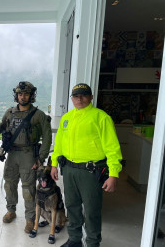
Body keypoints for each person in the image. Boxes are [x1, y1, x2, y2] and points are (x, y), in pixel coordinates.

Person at [50, 83, 122, 247]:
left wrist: (113, 174)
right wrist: (54, 164)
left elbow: (112, 148)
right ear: (72, 99)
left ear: (91, 97)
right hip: (68, 170)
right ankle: (75, 239)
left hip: (91, 172)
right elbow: (59, 144)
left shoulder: (101, 117)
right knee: (72, 206)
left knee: (91, 210)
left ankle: (92, 242)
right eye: (76, 96)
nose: (79, 98)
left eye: (83, 95)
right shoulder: (67, 118)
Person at [0, 81, 52, 234]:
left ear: (31, 95)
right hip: (12, 154)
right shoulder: (10, 112)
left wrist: (40, 158)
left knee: (28, 188)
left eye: (26, 94)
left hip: (29, 154)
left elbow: (47, 138)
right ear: (16, 95)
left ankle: (30, 218)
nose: (23, 97)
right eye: (20, 94)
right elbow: (1, 127)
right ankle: (11, 210)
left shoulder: (38, 115)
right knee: (9, 184)